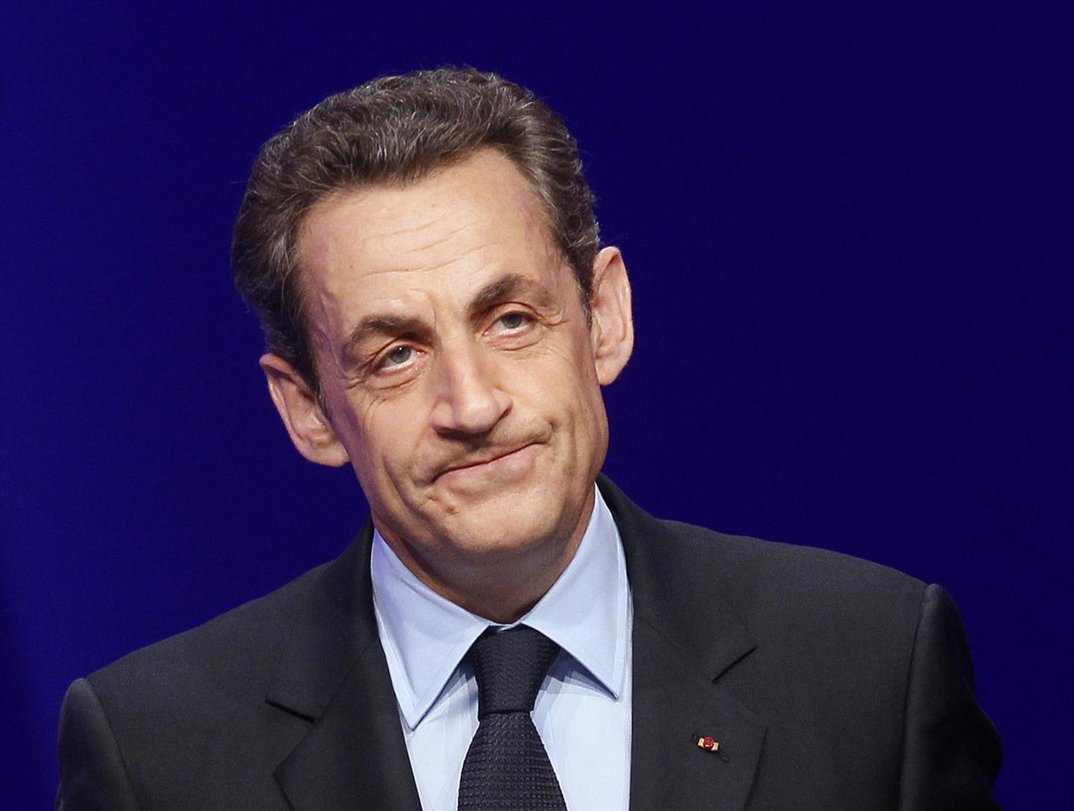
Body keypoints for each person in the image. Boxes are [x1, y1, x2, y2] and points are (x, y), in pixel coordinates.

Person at [56, 67, 1002, 810]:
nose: (471, 404)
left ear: (604, 318)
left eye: (510, 319)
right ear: (307, 407)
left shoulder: (868, 666)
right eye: (395, 354)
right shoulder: (156, 751)